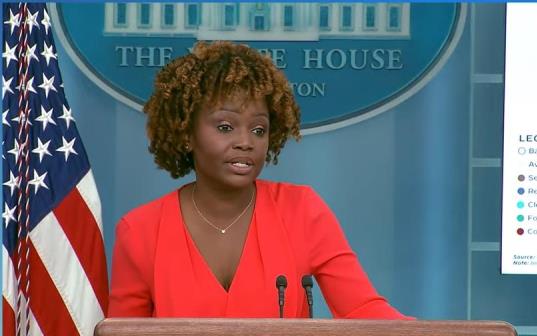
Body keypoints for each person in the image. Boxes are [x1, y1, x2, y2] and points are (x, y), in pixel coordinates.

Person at [108, 41, 413, 320]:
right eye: (226, 127)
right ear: (187, 134)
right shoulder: (140, 231)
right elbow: (122, 331)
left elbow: (362, 309)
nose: (246, 142)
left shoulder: (302, 210)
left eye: (258, 130)